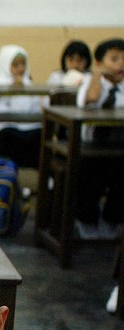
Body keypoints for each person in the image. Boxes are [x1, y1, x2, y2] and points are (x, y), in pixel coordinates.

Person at [74, 37, 124, 240]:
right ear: (99, 63)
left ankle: (113, 219)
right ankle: (86, 220)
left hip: (119, 148)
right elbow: (92, 99)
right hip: (89, 147)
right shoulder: (90, 83)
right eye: (114, 59)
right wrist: (97, 76)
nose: (121, 64)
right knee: (90, 171)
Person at [0, 45, 44, 169]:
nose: (21, 68)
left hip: (28, 125)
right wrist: (15, 90)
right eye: (16, 65)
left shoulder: (29, 84)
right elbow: (2, 110)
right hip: (8, 126)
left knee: (40, 134)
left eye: (23, 64)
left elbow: (35, 107)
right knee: (8, 135)